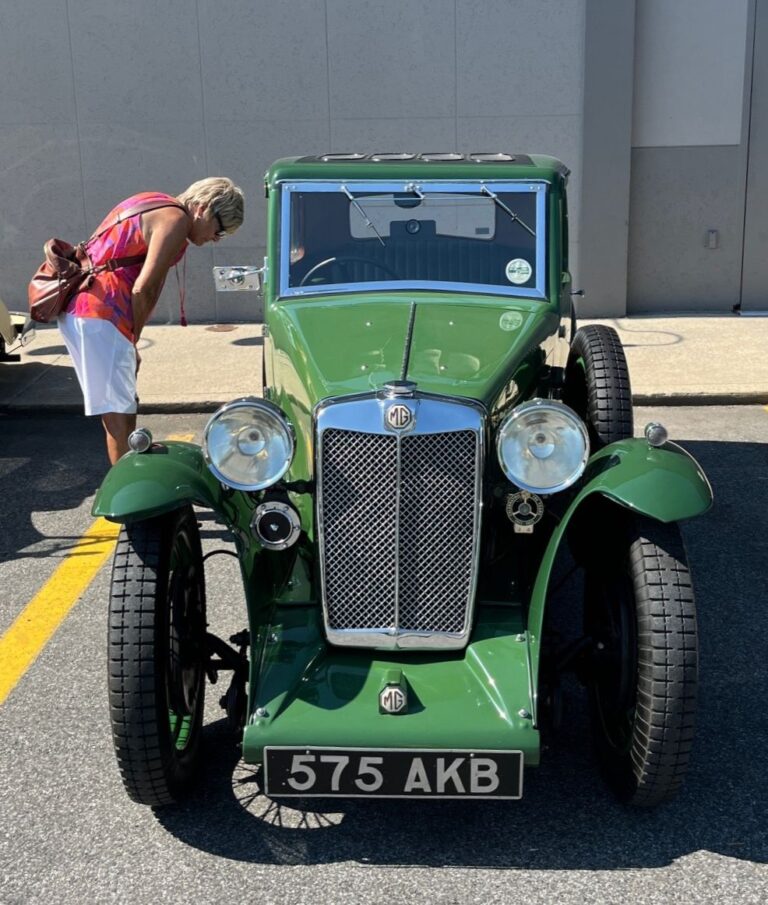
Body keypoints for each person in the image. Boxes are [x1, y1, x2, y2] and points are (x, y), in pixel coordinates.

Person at [57, 177, 244, 464]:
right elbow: (144, 287)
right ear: (203, 209)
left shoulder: (152, 201)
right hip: (102, 314)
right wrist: (132, 340)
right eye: (219, 231)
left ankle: (130, 466)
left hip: (85, 309)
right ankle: (126, 492)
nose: (214, 241)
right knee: (118, 410)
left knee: (121, 403)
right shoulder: (176, 220)